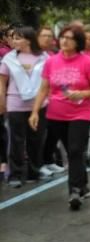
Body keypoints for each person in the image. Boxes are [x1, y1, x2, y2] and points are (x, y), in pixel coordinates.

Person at [29, 26, 90, 210]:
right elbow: (44, 88)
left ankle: (74, 190)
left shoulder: (88, 62)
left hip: (81, 113)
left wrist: (82, 93)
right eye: (62, 37)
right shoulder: (51, 62)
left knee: (76, 149)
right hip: (56, 113)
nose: (64, 41)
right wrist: (35, 111)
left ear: (77, 42)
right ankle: (83, 184)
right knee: (72, 152)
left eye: (69, 38)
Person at [0, 26, 49, 187]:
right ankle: (15, 174)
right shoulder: (9, 58)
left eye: (18, 38)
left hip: (39, 104)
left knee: (36, 139)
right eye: (13, 38)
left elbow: (49, 81)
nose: (14, 41)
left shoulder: (43, 57)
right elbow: (2, 81)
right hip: (15, 103)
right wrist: (2, 101)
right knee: (16, 140)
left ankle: (34, 172)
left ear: (28, 39)